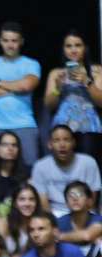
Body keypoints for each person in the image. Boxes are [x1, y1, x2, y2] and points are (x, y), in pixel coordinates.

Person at [0, 22, 41, 168]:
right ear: (0, 41)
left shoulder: (31, 64)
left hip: (24, 124)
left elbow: (27, 85)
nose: (10, 45)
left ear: (21, 41)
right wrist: (15, 87)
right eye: (6, 40)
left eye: (14, 41)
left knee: (30, 170)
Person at [44, 31, 102, 165]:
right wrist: (58, 88)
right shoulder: (56, 73)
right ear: (63, 49)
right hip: (62, 130)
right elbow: (48, 105)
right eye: (69, 46)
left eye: (78, 45)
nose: (73, 50)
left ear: (85, 48)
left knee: (89, 167)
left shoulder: (97, 71)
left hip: (89, 128)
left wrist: (87, 82)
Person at [31, 125, 102, 218]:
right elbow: (43, 203)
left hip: (84, 211)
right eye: (57, 140)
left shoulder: (88, 162)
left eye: (66, 140)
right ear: (49, 144)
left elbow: (91, 200)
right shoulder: (40, 166)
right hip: (55, 212)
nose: (62, 145)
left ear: (73, 143)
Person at [0, 131, 31, 219]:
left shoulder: (27, 173)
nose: (10, 148)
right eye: (5, 145)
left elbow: (30, 202)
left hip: (21, 219)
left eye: (14, 145)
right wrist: (2, 221)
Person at [56, 180, 102, 257]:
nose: (75, 198)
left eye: (80, 194)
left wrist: (60, 236)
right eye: (71, 196)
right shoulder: (60, 222)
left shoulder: (98, 220)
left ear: (89, 201)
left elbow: (87, 236)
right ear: (66, 202)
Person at [0, 183, 41, 256]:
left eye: (31, 199)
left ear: (36, 203)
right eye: (22, 199)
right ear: (15, 203)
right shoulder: (4, 221)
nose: (27, 204)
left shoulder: (42, 221)